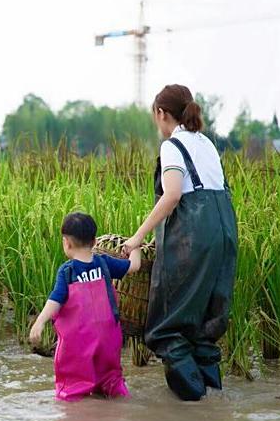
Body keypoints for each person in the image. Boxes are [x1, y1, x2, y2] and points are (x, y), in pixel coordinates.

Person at [122, 84, 238, 401]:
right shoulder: (207, 145)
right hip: (225, 233)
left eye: (155, 116)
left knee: (168, 328)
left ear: (161, 114)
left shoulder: (172, 146)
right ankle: (213, 408)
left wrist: (138, 236)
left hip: (194, 236)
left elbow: (172, 195)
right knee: (204, 327)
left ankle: (192, 409)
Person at [29, 212, 141, 402]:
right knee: (111, 379)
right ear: (95, 241)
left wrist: (40, 321)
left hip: (78, 342)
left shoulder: (67, 271)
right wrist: (136, 246)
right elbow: (134, 266)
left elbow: (55, 299)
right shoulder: (104, 263)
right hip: (109, 338)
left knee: (73, 386)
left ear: (66, 243)